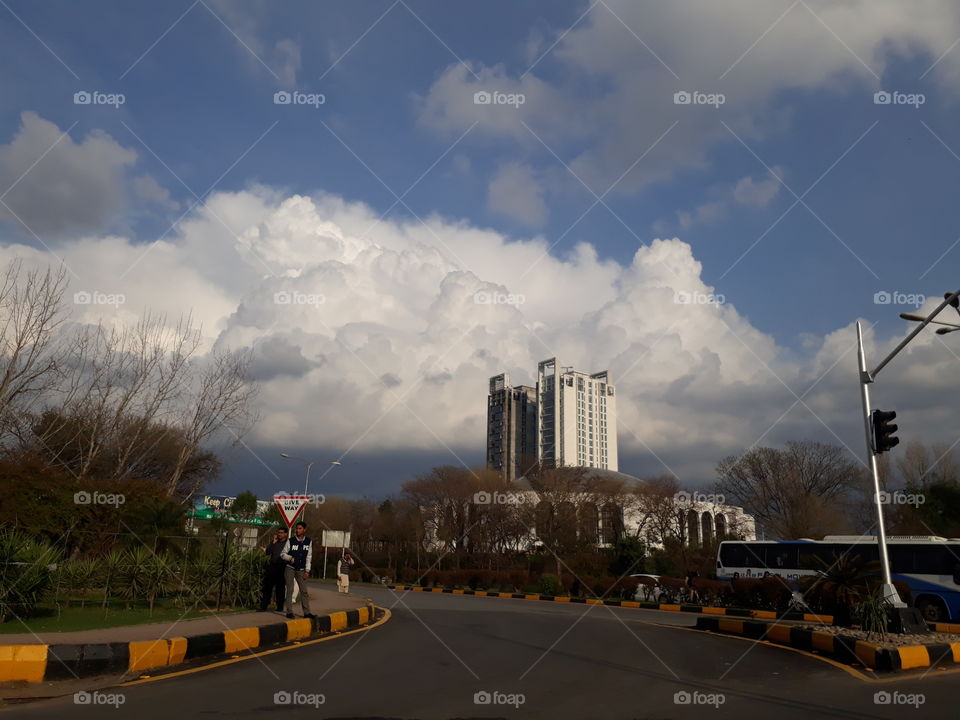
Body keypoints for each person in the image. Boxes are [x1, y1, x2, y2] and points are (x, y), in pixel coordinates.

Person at [281, 521, 315, 619]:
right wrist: (290, 558)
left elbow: (309, 557)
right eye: (297, 528)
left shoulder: (308, 541)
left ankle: (307, 612)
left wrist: (307, 571)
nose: (297, 530)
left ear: (304, 530)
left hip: (301, 569)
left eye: (300, 528)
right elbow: (282, 554)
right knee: (290, 589)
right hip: (290, 568)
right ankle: (289, 612)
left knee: (304, 591)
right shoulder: (291, 540)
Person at [259, 527, 288, 612]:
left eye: (282, 533)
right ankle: (263, 606)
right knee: (267, 587)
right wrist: (273, 543)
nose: (280, 534)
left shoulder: (288, 544)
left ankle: (280, 607)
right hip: (272, 566)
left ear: (286, 534)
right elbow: (268, 552)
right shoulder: (275, 542)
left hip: (282, 567)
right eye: (279, 532)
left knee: (280, 588)